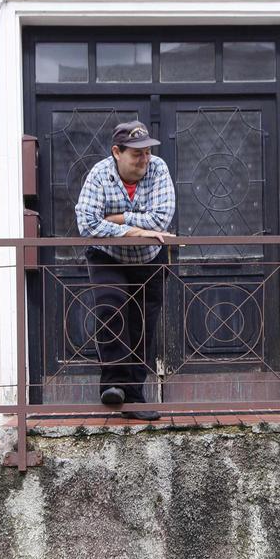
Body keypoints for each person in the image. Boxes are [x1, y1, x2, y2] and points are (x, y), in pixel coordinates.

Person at [74, 120, 176, 421]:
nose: (144, 159)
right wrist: (134, 230)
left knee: (142, 326)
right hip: (108, 256)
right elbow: (87, 224)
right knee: (111, 307)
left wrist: (117, 219)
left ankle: (133, 397)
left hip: (149, 259)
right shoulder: (99, 174)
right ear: (116, 152)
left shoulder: (159, 169)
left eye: (146, 152)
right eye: (137, 154)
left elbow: (161, 219)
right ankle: (113, 385)